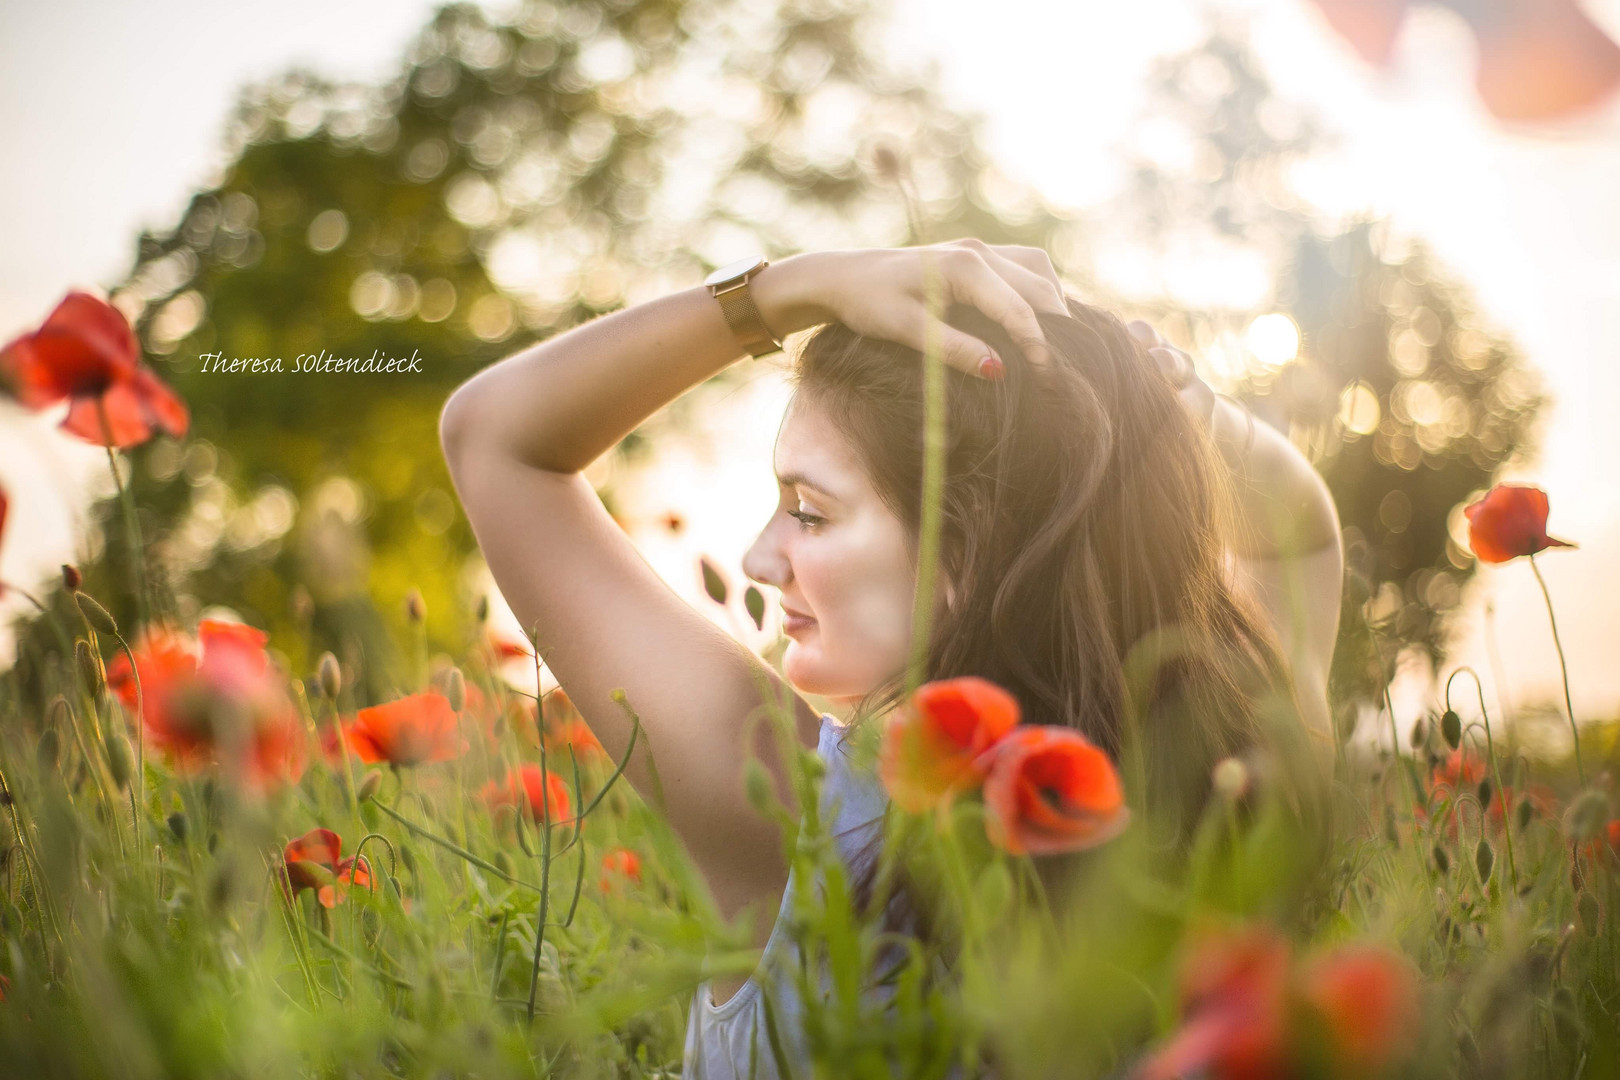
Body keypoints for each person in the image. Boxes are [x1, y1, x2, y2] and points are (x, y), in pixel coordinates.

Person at [437, 240, 1344, 1077]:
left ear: (967, 555)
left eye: (811, 512)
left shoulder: (794, 810)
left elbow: (495, 438)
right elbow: (1298, 538)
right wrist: (1176, 412)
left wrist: (786, 289)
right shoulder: (1231, 783)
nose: (759, 558)